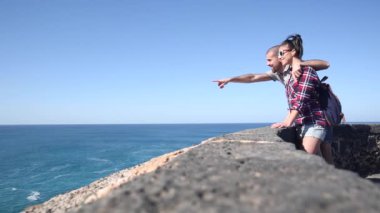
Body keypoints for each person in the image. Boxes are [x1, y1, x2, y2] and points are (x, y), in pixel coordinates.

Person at [271, 34, 332, 163]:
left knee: (303, 161)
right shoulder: (291, 74)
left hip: (314, 124)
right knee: (319, 165)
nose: (280, 56)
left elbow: (300, 100)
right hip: (302, 124)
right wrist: (287, 121)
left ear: (293, 52)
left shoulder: (307, 71)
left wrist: (287, 123)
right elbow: (292, 102)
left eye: (282, 53)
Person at [213, 45, 329, 89]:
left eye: (269, 60)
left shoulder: (298, 67)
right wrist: (230, 79)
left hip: (320, 115)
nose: (267, 63)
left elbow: (325, 64)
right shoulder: (277, 73)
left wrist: (300, 63)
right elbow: (252, 77)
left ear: (280, 57)